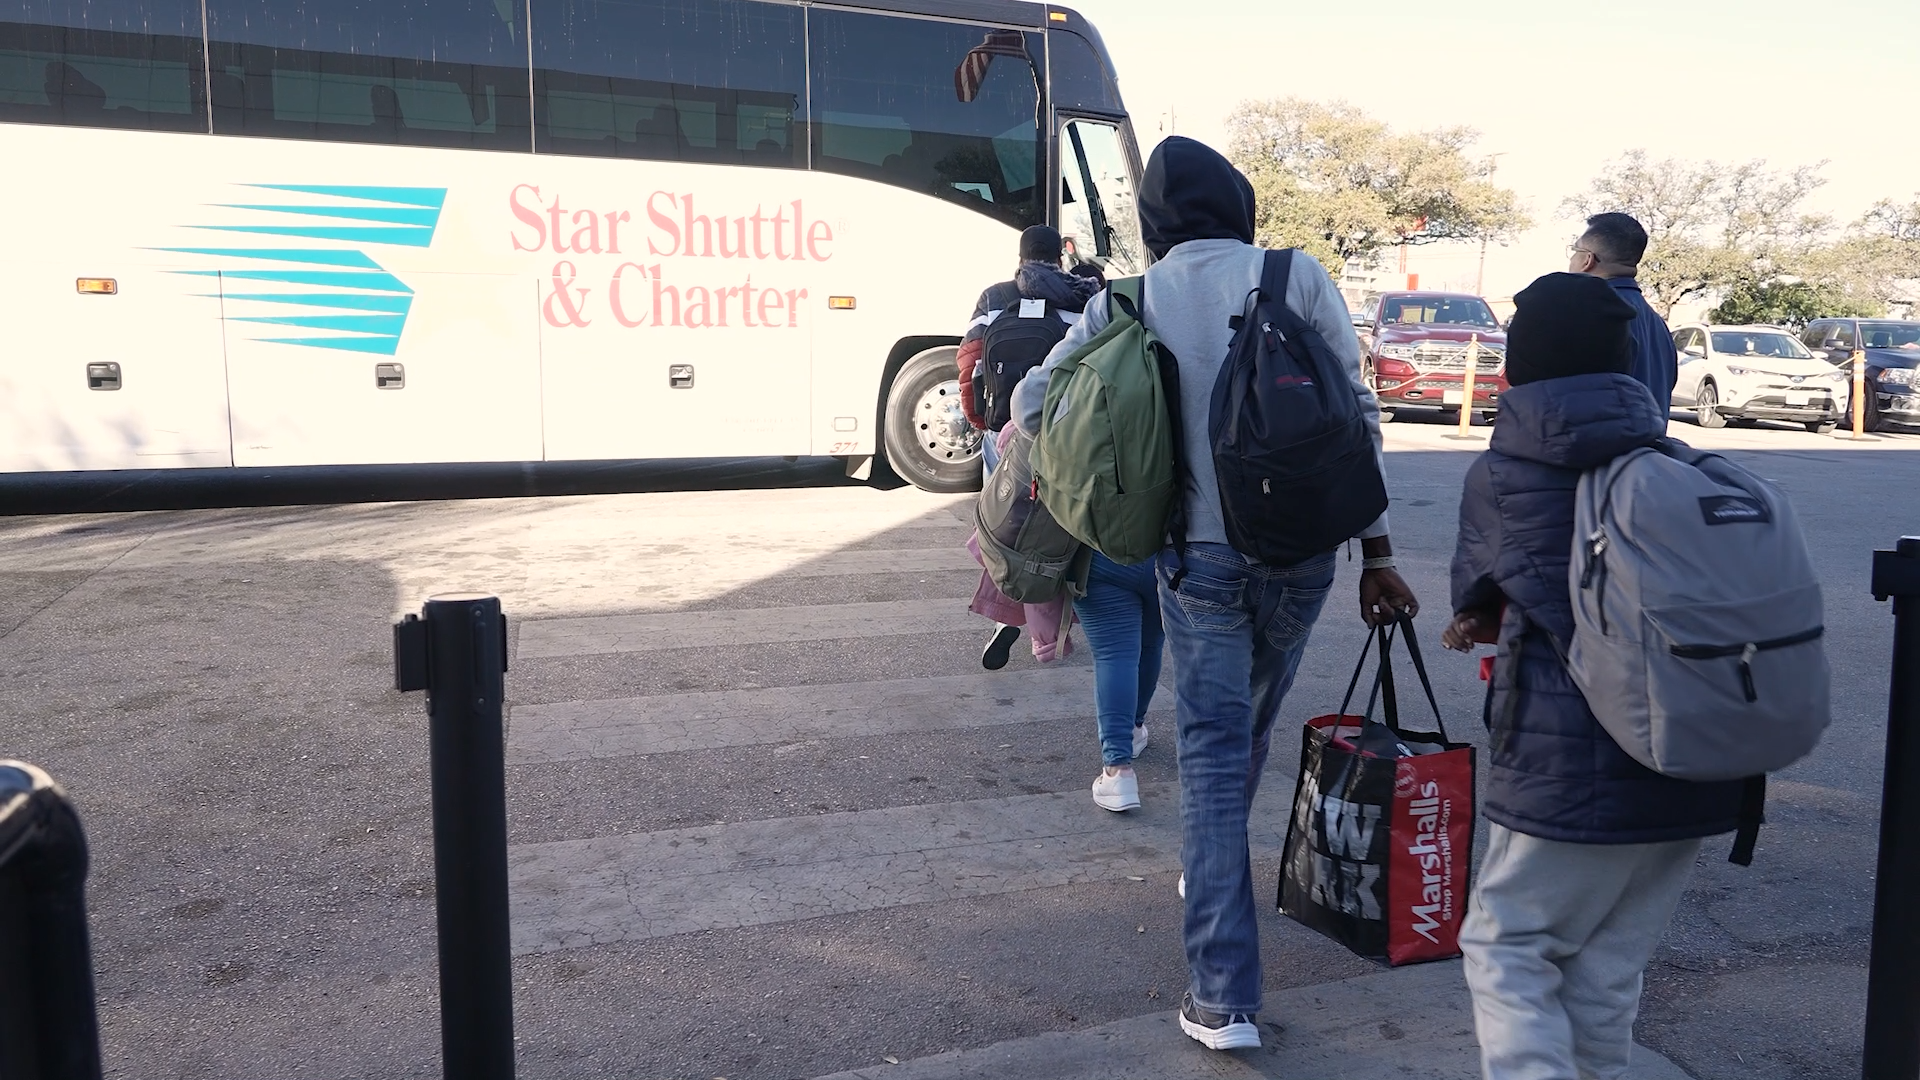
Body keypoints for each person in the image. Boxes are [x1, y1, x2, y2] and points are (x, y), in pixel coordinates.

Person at [1008, 136, 1419, 1051]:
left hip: (1196, 560)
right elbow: (1355, 418)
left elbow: (1032, 405)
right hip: (1304, 555)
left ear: (1155, 221)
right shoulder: (1294, 273)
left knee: (1214, 750)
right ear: (1236, 202)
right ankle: (1215, 858)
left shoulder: (1125, 298)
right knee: (1244, 728)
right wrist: (1379, 552)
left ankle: (1224, 998)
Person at [1441, 272, 1747, 1080]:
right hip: (1698, 756)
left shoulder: (1504, 474)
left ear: (1513, 367)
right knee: (1607, 973)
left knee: (1507, 944)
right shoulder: (1682, 465)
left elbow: (1481, 600)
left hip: (1574, 760)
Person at [958, 225, 1099, 670]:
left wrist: (979, 419)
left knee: (1006, 527)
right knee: (1055, 531)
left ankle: (1011, 615)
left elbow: (969, 361)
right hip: (1059, 432)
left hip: (1003, 429)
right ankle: (1051, 629)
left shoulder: (995, 296)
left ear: (1020, 257)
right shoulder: (1082, 296)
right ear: (1060, 256)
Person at [1076, 549, 1163, 812]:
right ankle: (1134, 728)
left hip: (1100, 551)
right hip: (1169, 555)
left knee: (1114, 656)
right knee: (1151, 644)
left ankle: (1118, 770)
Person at [1569, 212, 1678, 414]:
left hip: (1600, 444)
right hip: (1648, 443)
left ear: (1587, 259)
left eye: (1575, 250)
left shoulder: (1587, 314)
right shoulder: (1658, 326)